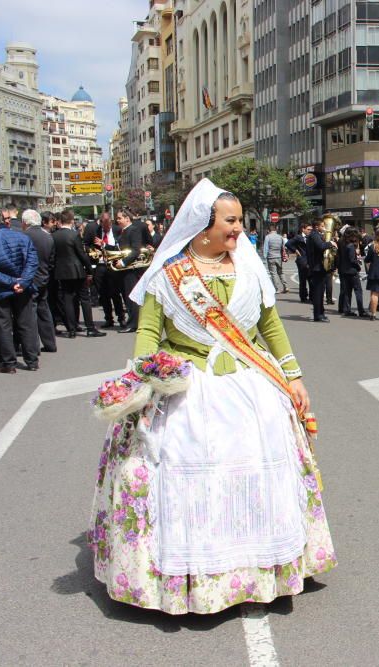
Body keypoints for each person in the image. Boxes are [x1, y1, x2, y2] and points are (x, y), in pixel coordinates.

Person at [89, 178, 335, 614]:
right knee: (186, 466)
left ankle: (264, 565)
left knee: (264, 466)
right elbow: (149, 330)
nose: (239, 229)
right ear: (203, 227)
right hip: (188, 389)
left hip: (250, 383)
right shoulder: (169, 274)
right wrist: (144, 377)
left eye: (239, 220)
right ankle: (196, 575)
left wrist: (293, 375)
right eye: (231, 220)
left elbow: (270, 325)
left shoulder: (248, 266)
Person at [0, 209, 40, 373]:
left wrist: (12, 283)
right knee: (26, 324)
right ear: (4, 221)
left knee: (3, 326)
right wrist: (22, 282)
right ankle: (32, 361)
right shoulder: (22, 237)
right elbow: (32, 262)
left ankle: (9, 363)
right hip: (21, 288)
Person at [53, 209, 105, 339]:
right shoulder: (74, 235)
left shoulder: (54, 236)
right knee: (84, 299)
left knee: (68, 299)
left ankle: (71, 329)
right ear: (71, 221)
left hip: (62, 271)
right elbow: (81, 254)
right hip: (76, 270)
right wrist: (89, 269)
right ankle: (90, 328)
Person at [21, 209, 57, 353]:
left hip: (30, 279)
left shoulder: (24, 236)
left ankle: (33, 347)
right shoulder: (48, 237)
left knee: (30, 314)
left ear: (24, 222)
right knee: (44, 311)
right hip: (43, 277)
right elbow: (51, 261)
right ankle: (50, 343)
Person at [83, 212, 127, 328]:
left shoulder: (118, 230)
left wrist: (104, 244)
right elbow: (86, 245)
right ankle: (108, 318)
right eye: (104, 226)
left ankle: (121, 317)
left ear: (111, 223)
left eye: (108, 226)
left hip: (114, 265)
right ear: (100, 223)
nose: (106, 229)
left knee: (115, 293)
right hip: (100, 265)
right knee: (103, 293)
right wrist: (92, 252)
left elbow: (120, 248)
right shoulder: (94, 230)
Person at [115, 209, 152, 333]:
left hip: (131, 269)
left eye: (120, 218)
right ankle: (133, 321)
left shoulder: (133, 230)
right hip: (125, 269)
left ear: (127, 219)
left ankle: (133, 323)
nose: (117, 220)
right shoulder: (124, 231)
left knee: (131, 297)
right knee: (127, 296)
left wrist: (124, 262)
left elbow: (136, 250)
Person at [306, 216, 336, 322]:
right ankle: (318, 315)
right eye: (322, 226)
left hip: (319, 267)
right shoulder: (314, 235)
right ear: (316, 226)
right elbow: (320, 246)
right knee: (318, 292)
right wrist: (330, 244)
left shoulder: (316, 235)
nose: (324, 228)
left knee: (320, 291)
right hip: (317, 268)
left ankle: (321, 313)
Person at [337, 227, 367, 318]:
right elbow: (352, 260)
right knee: (358, 291)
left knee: (347, 291)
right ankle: (361, 310)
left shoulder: (341, 242)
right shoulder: (350, 246)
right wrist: (358, 266)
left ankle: (347, 309)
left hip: (343, 270)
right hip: (352, 271)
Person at [286, 222, 311, 302]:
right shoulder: (298, 237)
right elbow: (288, 243)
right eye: (308, 229)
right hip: (302, 260)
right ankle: (303, 297)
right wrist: (295, 250)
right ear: (303, 229)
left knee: (311, 280)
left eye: (311, 229)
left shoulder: (311, 237)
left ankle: (312, 297)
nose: (310, 231)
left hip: (311, 261)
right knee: (303, 280)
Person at [262, 222, 289, 294]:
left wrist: (264, 258)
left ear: (269, 230)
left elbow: (265, 248)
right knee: (281, 272)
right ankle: (285, 286)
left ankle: (277, 288)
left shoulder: (268, 237)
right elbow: (283, 248)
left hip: (271, 257)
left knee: (273, 273)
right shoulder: (280, 237)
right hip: (279, 257)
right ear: (276, 229)